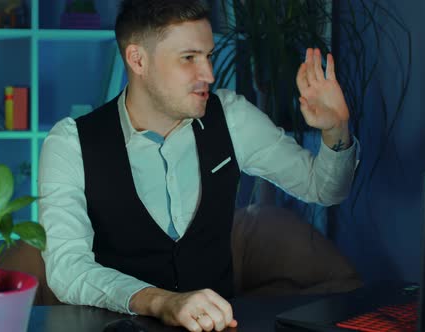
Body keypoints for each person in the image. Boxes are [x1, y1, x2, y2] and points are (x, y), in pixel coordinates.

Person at [38, 0, 358, 331]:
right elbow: (66, 269)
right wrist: (160, 301)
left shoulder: (232, 117)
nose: (208, 74)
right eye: (189, 58)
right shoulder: (70, 144)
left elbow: (324, 188)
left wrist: (336, 130)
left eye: (208, 56)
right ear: (138, 59)